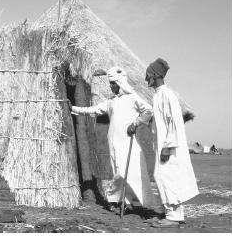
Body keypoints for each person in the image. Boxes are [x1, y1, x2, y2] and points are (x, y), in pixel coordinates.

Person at [70, 66, 157, 214]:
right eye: (110, 84)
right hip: (113, 142)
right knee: (118, 171)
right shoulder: (111, 102)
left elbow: (148, 110)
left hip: (128, 141)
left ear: (120, 83)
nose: (111, 86)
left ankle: (127, 201)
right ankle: (119, 202)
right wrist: (74, 109)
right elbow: (93, 110)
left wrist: (135, 123)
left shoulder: (133, 98)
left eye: (113, 84)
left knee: (127, 172)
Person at [145, 58, 199, 228]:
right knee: (160, 176)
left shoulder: (167, 95)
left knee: (167, 177)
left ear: (154, 75)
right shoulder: (158, 95)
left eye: (147, 75)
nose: (146, 79)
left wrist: (168, 146)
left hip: (168, 145)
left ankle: (174, 216)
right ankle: (167, 210)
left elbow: (174, 123)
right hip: (162, 144)